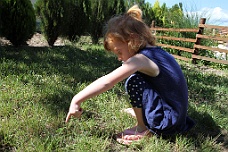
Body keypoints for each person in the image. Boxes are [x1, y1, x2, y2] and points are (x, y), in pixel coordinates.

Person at [65, 5, 195, 145]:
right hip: (176, 116)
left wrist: (76, 99)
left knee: (134, 80)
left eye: (119, 52)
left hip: (167, 122)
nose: (119, 58)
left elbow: (107, 81)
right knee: (139, 78)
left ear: (131, 40)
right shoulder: (155, 53)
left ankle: (142, 128)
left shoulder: (140, 59)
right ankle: (146, 118)